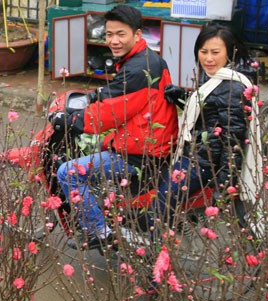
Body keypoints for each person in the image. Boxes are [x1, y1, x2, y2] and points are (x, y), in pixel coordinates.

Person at [53, 5, 179, 250]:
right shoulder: (145, 60)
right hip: (147, 142)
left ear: (138, 34)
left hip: (140, 153)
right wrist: (94, 96)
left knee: (67, 172)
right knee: (96, 145)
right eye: (109, 34)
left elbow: (109, 112)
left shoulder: (138, 69)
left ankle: (99, 230)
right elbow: (117, 96)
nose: (114, 40)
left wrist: (73, 120)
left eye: (121, 34)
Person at [157, 23, 262, 226]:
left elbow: (233, 143)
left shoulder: (232, 87)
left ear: (230, 53)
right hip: (199, 156)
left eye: (215, 52)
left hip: (203, 164)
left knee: (161, 203)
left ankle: (156, 251)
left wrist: (223, 188)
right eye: (203, 51)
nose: (208, 58)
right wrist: (183, 97)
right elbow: (209, 112)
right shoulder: (217, 79)